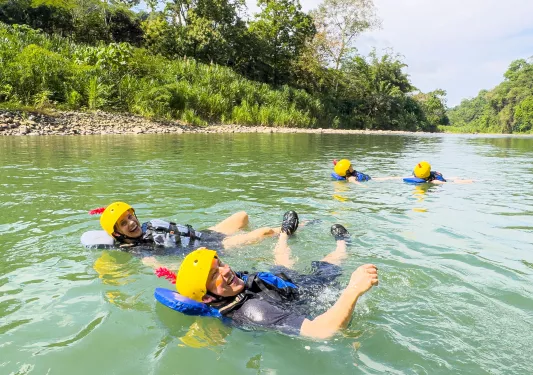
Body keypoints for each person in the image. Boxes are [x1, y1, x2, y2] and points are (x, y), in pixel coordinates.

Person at [173, 216, 379, 339]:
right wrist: (353, 289)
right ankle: (343, 243)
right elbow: (321, 331)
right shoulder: (255, 312)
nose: (226, 271)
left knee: (281, 263)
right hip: (300, 295)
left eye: (220, 264)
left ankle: (284, 234)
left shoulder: (231, 287)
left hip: (276, 285)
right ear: (207, 298)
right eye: (214, 275)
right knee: (329, 264)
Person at [98, 201, 287, 253]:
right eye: (124, 223)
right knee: (265, 232)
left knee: (242, 216)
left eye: (130, 216)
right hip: (210, 248)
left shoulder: (148, 226)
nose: (131, 222)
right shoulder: (140, 249)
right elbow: (158, 266)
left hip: (205, 234)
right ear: (117, 233)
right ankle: (293, 229)